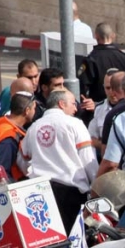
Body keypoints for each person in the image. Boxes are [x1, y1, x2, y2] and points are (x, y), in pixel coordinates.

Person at [21, 89, 99, 231]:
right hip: (70, 194)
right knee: (73, 240)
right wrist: (96, 188)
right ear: (62, 104)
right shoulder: (75, 124)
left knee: (50, 240)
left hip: (41, 193)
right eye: (73, 104)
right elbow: (88, 160)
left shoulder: (33, 128)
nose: (76, 108)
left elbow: (23, 159)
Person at [78, 23, 125, 104]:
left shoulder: (91, 60)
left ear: (96, 37)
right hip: (124, 104)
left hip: (97, 107)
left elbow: (83, 87)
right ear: (113, 36)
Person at [0, 59, 40, 135]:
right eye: (29, 78)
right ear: (18, 76)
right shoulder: (6, 93)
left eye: (35, 76)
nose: (33, 81)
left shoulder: (41, 97)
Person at [0, 92, 35, 181]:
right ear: (27, 111)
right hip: (15, 186)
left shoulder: (0, 122)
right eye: (34, 108)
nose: (35, 112)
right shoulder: (9, 139)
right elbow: (3, 172)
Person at [89, 68, 123, 153]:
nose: (112, 92)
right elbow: (91, 138)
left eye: (115, 87)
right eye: (108, 88)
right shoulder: (99, 109)